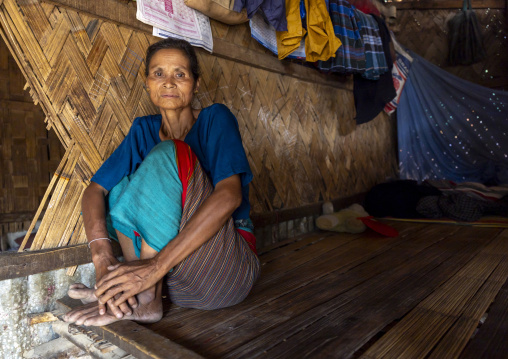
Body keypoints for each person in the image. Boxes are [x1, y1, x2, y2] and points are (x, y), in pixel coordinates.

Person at [63, 38, 260, 326]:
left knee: (173, 152)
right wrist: (103, 260)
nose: (168, 82)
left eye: (180, 74)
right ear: (147, 83)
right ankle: (138, 297)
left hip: (224, 272)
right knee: (120, 186)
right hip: (176, 283)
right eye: (158, 74)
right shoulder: (142, 129)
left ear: (195, 83)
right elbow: (95, 189)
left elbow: (230, 196)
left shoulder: (215, 119)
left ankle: (142, 290)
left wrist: (155, 267)